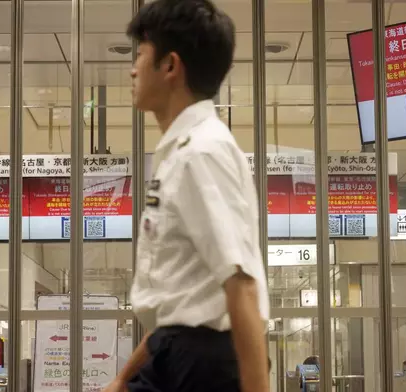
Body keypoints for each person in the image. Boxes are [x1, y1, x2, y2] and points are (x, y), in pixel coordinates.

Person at [103, 1, 270, 391]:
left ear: (170, 66)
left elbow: (240, 285)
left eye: (141, 54)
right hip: (172, 353)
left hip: (201, 366)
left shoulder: (202, 153)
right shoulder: (182, 153)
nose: (132, 68)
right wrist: (122, 378)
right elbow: (180, 301)